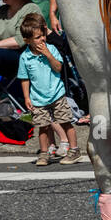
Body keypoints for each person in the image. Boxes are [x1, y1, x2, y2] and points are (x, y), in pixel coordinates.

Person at [18, 12, 82, 166]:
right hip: (38, 98)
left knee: (66, 122)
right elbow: (24, 78)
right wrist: (27, 97)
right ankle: (44, 153)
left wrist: (48, 54)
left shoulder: (51, 49)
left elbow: (58, 68)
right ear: (27, 41)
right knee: (43, 127)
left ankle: (74, 149)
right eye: (38, 38)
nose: (42, 39)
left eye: (42, 36)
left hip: (57, 94)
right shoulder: (25, 57)